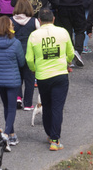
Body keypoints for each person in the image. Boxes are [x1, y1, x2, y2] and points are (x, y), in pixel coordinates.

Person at [25, 8, 74, 151]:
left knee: (46, 105)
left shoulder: (33, 35)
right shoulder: (63, 32)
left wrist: (34, 68)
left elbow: (28, 58)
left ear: (39, 21)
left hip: (42, 76)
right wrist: (68, 62)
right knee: (57, 107)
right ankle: (55, 140)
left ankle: (49, 134)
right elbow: (70, 53)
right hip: (60, 74)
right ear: (53, 19)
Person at [0, 16, 26, 146]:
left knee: (6, 107)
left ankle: (12, 135)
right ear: (7, 27)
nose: (13, 26)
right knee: (11, 108)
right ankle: (5, 133)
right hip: (13, 79)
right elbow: (21, 62)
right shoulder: (15, 43)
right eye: (11, 25)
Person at [11, 0, 39, 111]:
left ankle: (18, 97)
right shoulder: (34, 21)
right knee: (30, 79)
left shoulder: (10, 21)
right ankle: (28, 104)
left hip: (15, 53)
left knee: (16, 77)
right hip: (30, 53)